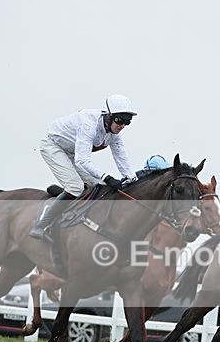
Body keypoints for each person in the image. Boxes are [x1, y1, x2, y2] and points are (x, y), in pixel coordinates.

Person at [29, 94, 138, 241]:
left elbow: (122, 159)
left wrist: (132, 178)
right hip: (52, 146)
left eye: (127, 122)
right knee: (76, 187)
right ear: (109, 116)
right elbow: (82, 160)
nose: (122, 126)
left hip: (71, 152)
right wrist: (108, 177)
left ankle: (68, 206)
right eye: (120, 120)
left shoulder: (115, 134)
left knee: (98, 185)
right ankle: (42, 224)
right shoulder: (89, 124)